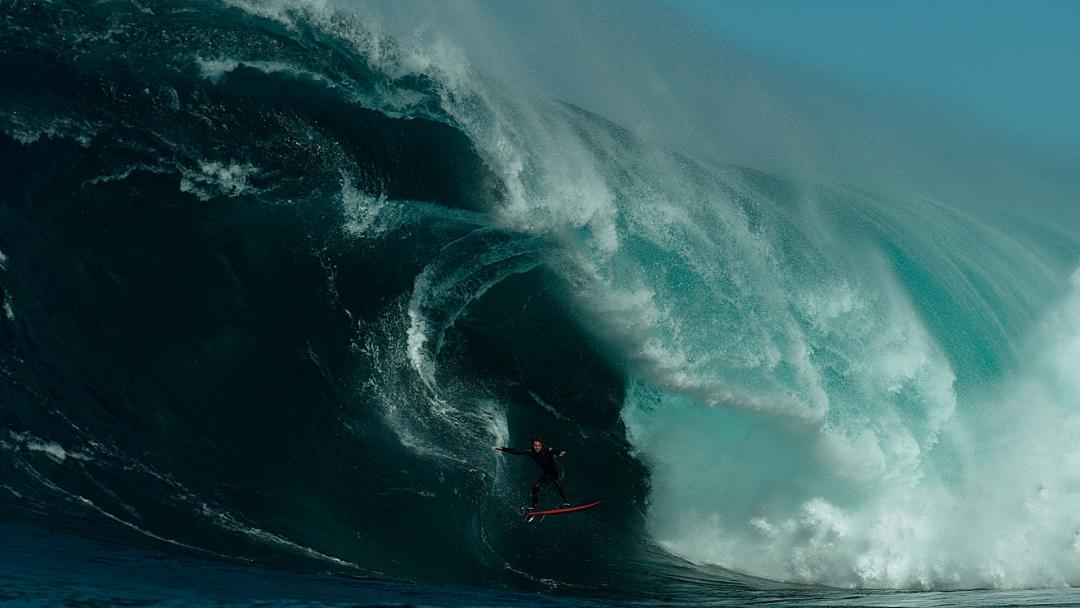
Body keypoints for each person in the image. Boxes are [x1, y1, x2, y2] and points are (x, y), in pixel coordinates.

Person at [492, 437, 569, 511]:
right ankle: (533, 508)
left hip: (557, 471)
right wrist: (501, 448)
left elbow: (554, 451)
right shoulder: (531, 452)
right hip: (548, 473)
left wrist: (560, 452)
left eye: (539, 445)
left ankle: (566, 502)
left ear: (541, 446)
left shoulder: (547, 450)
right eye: (535, 445)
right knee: (535, 486)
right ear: (533, 445)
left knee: (556, 481)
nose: (537, 447)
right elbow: (517, 451)